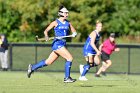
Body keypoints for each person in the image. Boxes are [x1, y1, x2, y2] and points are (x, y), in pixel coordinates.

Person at [27, 5, 77, 83]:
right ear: (61, 13)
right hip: (57, 44)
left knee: (48, 62)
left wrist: (74, 33)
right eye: (65, 13)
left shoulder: (68, 23)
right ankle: (67, 78)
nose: (67, 14)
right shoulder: (55, 22)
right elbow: (45, 31)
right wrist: (46, 36)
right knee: (69, 58)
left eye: (67, 13)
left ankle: (32, 68)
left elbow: (74, 31)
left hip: (62, 44)